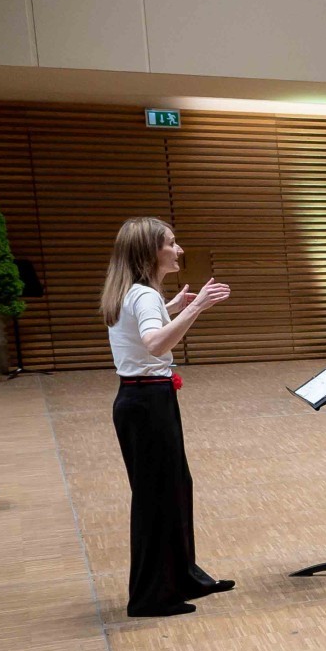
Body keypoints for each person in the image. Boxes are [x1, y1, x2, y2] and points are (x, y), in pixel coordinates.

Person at [100, 216, 233, 617]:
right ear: (149, 251)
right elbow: (155, 344)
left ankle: (182, 577)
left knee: (173, 488)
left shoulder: (135, 292)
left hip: (142, 400)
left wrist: (174, 307)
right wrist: (199, 308)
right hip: (146, 403)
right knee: (157, 497)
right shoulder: (143, 295)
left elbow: (143, 330)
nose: (179, 250)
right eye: (171, 243)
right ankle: (150, 597)